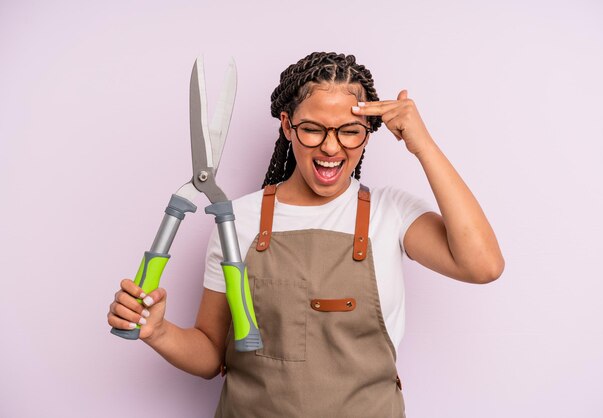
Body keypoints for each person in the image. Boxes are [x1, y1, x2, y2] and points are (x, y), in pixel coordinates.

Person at [107, 51, 504, 417]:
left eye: (350, 131)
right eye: (313, 129)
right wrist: (157, 331)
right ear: (287, 125)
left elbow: (483, 265)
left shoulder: (391, 212)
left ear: (367, 130)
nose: (331, 148)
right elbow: (210, 354)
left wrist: (423, 146)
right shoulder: (238, 221)